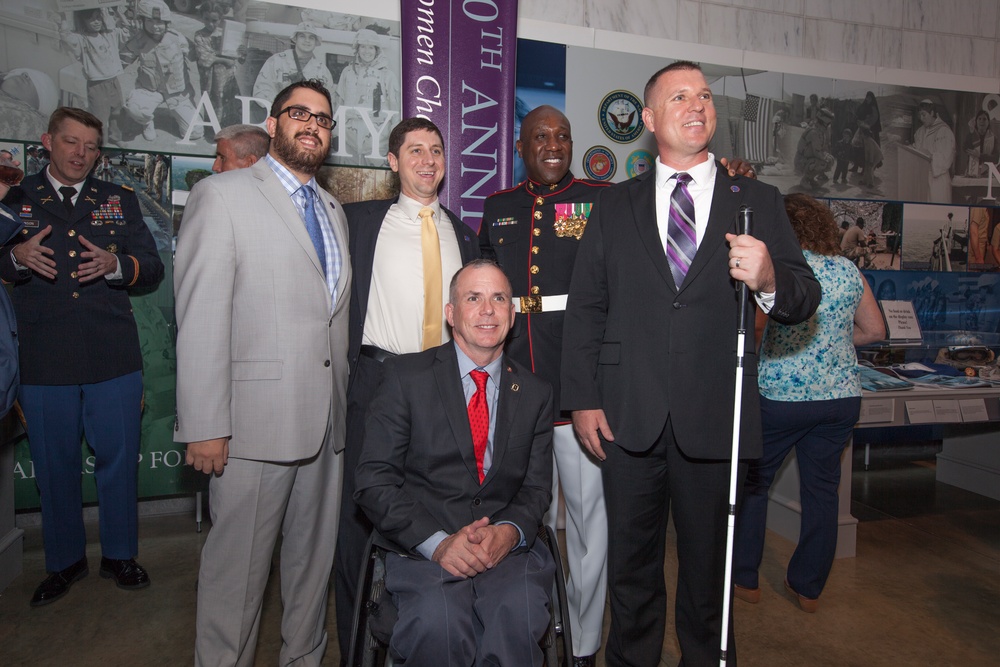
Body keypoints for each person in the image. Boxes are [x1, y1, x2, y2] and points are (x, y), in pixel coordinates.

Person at [561, 61, 820, 666]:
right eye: (679, 96)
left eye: (704, 95)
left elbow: (804, 296)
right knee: (632, 571)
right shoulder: (614, 206)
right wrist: (582, 398)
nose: (697, 104)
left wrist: (769, 278)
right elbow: (587, 309)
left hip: (717, 419)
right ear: (649, 120)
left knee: (709, 577)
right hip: (627, 417)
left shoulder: (755, 200)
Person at [174, 79, 350, 666]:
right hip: (251, 431)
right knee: (235, 584)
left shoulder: (331, 209)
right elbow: (200, 314)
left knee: (309, 577)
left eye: (323, 119)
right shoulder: (221, 195)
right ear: (272, 125)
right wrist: (204, 423)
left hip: (326, 429)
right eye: (299, 114)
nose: (312, 125)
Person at [0, 106, 164, 607]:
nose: (82, 154)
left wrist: (118, 265)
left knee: (118, 462)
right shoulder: (16, 198)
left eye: (91, 147)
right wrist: (14, 257)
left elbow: (151, 267)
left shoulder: (118, 199)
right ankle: (64, 562)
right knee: (55, 464)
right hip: (44, 356)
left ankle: (119, 555)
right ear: (48, 141)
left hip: (112, 355)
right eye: (72, 142)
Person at [355, 259, 555, 666]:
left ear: (512, 315)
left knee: (519, 616)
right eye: (473, 298)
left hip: (506, 552)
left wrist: (508, 533)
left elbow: (536, 489)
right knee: (438, 623)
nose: (487, 310)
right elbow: (374, 481)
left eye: (499, 298)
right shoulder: (404, 377)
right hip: (423, 548)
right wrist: (439, 543)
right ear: (451, 313)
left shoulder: (535, 393)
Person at [333, 116, 479, 660]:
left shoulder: (464, 234)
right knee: (361, 516)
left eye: (436, 150)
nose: (427, 160)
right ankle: (354, 649)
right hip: (377, 384)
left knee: (441, 511)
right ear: (393, 162)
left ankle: (436, 635)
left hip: (445, 389)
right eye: (415, 150)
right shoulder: (356, 222)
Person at [478, 105, 608, 667]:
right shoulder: (499, 206)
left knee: (587, 525)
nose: (552, 145)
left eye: (562, 137)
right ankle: (519, 627)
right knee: (514, 516)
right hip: (517, 391)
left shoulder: (602, 200)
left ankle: (583, 643)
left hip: (579, 389)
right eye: (540, 137)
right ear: (520, 145)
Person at [734, 193, 886, 613]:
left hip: (781, 396)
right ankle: (808, 587)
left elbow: (758, 330)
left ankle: (745, 578)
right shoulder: (847, 270)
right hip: (840, 399)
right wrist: (833, 344)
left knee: (755, 483)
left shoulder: (781, 271)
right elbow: (874, 331)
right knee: (822, 492)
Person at [120, 0, 204, 143]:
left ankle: (177, 112)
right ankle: (147, 123)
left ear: (166, 23)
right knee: (135, 109)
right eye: (149, 21)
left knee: (195, 132)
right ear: (143, 21)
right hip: (149, 90)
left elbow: (197, 55)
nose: (155, 27)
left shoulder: (178, 38)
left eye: (159, 22)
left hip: (177, 93)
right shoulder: (138, 41)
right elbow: (120, 62)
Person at [58, 8, 129, 145]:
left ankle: (116, 137)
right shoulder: (82, 39)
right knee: (100, 117)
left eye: (98, 17)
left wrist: (117, 11)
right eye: (91, 18)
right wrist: (63, 16)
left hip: (113, 81)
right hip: (97, 84)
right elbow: (66, 36)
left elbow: (127, 30)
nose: (96, 22)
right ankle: (102, 144)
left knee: (117, 111)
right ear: (83, 21)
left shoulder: (109, 35)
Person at [335, 28, 398, 163]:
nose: (366, 51)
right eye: (363, 47)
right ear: (357, 49)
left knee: (375, 179)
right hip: (349, 138)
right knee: (346, 178)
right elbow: (338, 103)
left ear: (377, 50)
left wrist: (394, 139)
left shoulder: (388, 75)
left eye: (371, 47)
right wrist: (336, 132)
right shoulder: (347, 72)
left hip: (377, 140)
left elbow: (395, 110)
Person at [253, 22, 336, 114]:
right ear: (295, 39)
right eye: (302, 36)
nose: (307, 40)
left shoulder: (322, 70)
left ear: (315, 42)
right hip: (280, 116)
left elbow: (330, 101)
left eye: (311, 37)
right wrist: (282, 108)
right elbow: (261, 90)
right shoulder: (276, 61)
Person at [192, 3, 243, 131]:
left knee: (226, 98)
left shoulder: (225, 34)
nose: (210, 24)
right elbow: (204, 58)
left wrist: (241, 51)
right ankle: (212, 128)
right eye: (206, 19)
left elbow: (237, 55)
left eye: (214, 20)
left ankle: (225, 126)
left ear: (220, 19)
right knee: (211, 99)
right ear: (201, 18)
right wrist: (224, 60)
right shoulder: (199, 36)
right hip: (209, 77)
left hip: (226, 75)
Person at [912, 99, 956, 203]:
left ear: (932, 113)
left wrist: (931, 156)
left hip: (938, 180)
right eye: (920, 116)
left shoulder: (944, 131)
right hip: (922, 178)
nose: (921, 119)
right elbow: (917, 149)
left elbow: (947, 158)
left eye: (924, 115)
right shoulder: (920, 132)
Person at [795, 107, 835, 190]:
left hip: (808, 158)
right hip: (801, 160)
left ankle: (810, 179)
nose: (829, 126)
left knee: (829, 159)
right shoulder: (814, 132)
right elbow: (817, 152)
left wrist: (828, 157)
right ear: (824, 122)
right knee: (823, 162)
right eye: (828, 124)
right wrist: (826, 158)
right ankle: (804, 180)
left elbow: (822, 149)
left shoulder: (820, 131)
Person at [962, 109, 998, 177]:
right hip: (972, 172)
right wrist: (972, 132)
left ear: (988, 122)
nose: (982, 121)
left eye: (984, 119)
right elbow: (965, 148)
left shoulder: (994, 138)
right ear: (976, 122)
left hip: (987, 173)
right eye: (979, 119)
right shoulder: (971, 135)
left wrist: (980, 155)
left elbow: (996, 158)